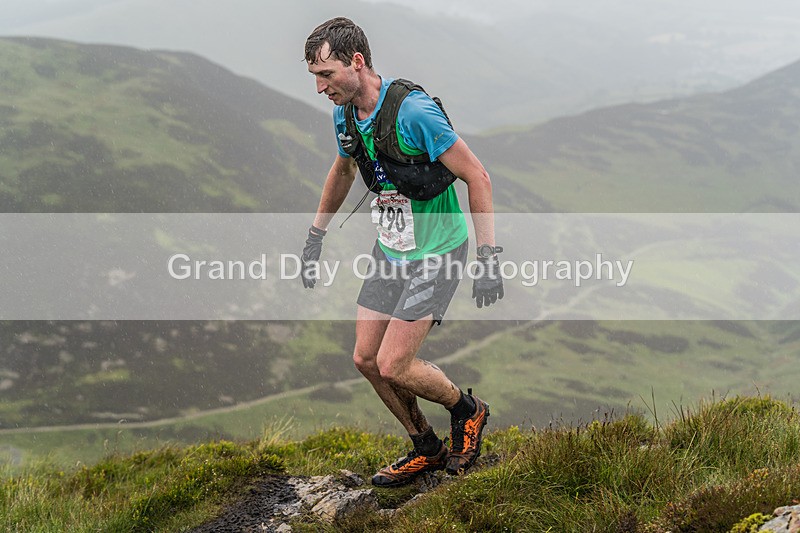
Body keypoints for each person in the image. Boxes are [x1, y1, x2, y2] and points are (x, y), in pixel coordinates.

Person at [301, 17, 503, 487]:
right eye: (314, 76)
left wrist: (488, 258)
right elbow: (344, 170)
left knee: (395, 363)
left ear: (357, 62)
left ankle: (467, 411)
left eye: (326, 74)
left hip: (438, 252)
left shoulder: (414, 113)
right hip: (392, 249)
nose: (319, 87)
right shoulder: (345, 112)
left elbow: (479, 176)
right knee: (366, 360)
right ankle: (426, 447)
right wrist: (316, 236)